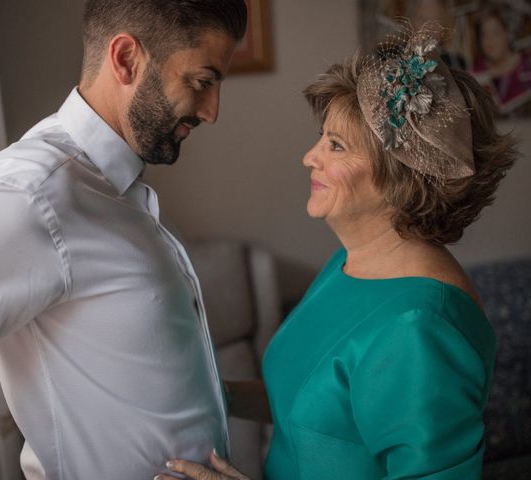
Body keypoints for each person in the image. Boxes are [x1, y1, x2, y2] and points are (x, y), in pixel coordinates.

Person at [0, 1, 246, 479]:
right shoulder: (33, 196)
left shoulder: (113, 188)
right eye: (202, 82)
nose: (212, 111)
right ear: (125, 59)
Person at [158, 24, 516, 480]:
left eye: (336, 145)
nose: (310, 157)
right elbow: (315, 408)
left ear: (400, 179)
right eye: (321, 137)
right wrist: (215, 395)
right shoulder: (349, 263)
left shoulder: (421, 327)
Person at [472, 7, 531, 114]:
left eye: (496, 33)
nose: (490, 41)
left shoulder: (527, 63)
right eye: (484, 35)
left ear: (508, 34)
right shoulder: (476, 73)